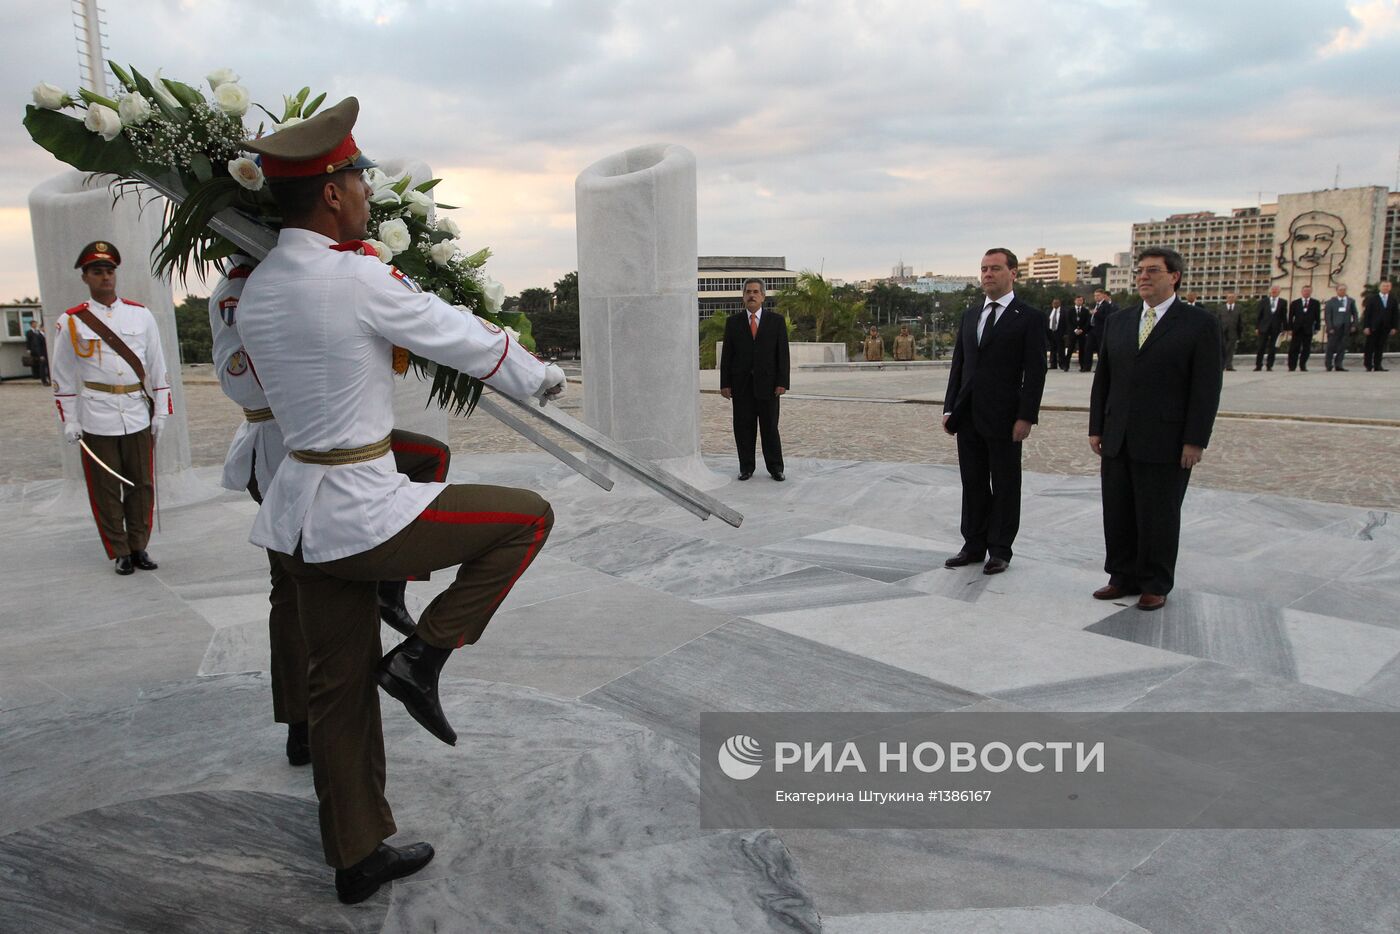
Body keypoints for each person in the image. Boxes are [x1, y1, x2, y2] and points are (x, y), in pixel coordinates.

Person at [234, 98, 567, 903]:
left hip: (297, 514)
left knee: (336, 687)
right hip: (357, 509)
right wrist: (539, 377)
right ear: (332, 193)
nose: (366, 193)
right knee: (526, 517)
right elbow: (454, 332)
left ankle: (356, 857)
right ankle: (423, 656)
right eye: (358, 180)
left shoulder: (259, 286)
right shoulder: (353, 276)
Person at [208, 254, 450, 767]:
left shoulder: (324, 269)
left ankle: (389, 589)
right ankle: (303, 724)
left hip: (339, 438)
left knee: (430, 456)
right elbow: (243, 383)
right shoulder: (243, 286)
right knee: (294, 593)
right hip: (283, 449)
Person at [1089, 247, 1221, 611]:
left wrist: (1195, 440)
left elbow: (1206, 388)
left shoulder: (1198, 323)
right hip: (1118, 435)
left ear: (1174, 276)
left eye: (1152, 271)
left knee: (1158, 514)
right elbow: (1104, 378)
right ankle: (1122, 576)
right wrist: (1097, 426)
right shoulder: (1120, 321)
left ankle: (1154, 582)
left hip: (1166, 438)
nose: (1143, 277)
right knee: (1118, 511)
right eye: (1140, 272)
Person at [50, 241, 171, 575]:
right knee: (105, 487)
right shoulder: (71, 321)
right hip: (96, 413)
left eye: (109, 271)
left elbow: (158, 364)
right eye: (97, 272)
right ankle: (119, 550)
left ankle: (139, 546)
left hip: (135, 409)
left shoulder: (140, 315)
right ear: (85, 277)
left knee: (141, 483)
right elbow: (62, 375)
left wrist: (161, 412)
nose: (105, 277)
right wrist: (70, 420)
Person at [942, 248, 1047, 575]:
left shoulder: (1028, 317)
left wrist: (1026, 416)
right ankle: (973, 544)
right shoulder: (970, 315)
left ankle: (1000, 549)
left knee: (1005, 483)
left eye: (995, 268)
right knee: (972, 482)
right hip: (968, 414)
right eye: (984, 269)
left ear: (1013, 273)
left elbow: (1036, 372)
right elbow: (959, 365)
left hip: (1005, 416)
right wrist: (949, 407)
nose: (988, 274)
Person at [719, 278, 789, 481]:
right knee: (743, 429)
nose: (752, 295)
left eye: (755, 292)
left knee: (770, 428)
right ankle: (746, 467)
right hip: (741, 386)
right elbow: (727, 355)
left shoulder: (776, 321)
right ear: (743, 296)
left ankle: (776, 468)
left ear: (763, 296)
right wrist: (725, 383)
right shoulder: (733, 322)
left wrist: (782, 382)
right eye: (748, 292)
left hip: (769, 386)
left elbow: (782, 354)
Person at [1362, 280, 1398, 372]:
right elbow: (1367, 314)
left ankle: (1378, 365)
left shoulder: (1393, 300)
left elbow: (1395, 314)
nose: (1385, 288)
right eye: (1384, 286)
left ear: (1390, 288)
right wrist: (1366, 326)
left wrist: (1394, 327)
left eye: (1387, 286)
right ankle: (1368, 365)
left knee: (1380, 347)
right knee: (1370, 346)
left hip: (1385, 327)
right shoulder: (1372, 299)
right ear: (1380, 287)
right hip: (1373, 327)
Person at [1323, 284, 1358, 372]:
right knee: (1330, 347)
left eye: (1344, 290)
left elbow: (1355, 314)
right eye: (1340, 290)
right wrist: (1330, 327)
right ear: (1337, 291)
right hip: (1334, 328)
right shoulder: (1330, 302)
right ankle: (1328, 364)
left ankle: (1339, 364)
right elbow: (1327, 316)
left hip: (1346, 327)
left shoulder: (1350, 301)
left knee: (1342, 347)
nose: (1342, 291)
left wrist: (1354, 325)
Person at [1287, 285, 1321, 371]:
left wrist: (1317, 327)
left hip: (1308, 329)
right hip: (1297, 329)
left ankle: (1303, 365)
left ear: (1311, 292)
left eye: (1308, 291)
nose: (1306, 293)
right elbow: (1290, 317)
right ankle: (1292, 366)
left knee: (1306, 348)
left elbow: (1317, 316)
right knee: (1294, 348)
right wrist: (1290, 328)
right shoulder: (1295, 303)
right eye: (1305, 291)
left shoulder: (1315, 303)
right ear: (1302, 292)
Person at [1254, 286, 1286, 371]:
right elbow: (1259, 315)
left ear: (1279, 292)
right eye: (1273, 290)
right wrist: (1257, 327)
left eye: (1276, 291)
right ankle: (1258, 365)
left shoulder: (1283, 302)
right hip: (1263, 327)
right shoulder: (1263, 301)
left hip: (1276, 328)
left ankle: (1269, 365)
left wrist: (1285, 328)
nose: (1274, 292)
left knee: (1273, 348)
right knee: (1261, 347)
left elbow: (1284, 316)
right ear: (1270, 291)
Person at [1216, 293, 1242, 371]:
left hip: (1233, 331)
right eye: (1229, 297)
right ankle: (1221, 365)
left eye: (1232, 297)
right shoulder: (1221, 308)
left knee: (1231, 349)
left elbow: (1240, 321)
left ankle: (1229, 365)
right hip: (1222, 331)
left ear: (1235, 299)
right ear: (1226, 298)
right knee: (1223, 349)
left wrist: (1240, 333)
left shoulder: (1238, 308)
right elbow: (1217, 320)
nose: (1231, 299)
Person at [1045, 298, 1072, 371]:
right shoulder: (1049, 311)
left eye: (1056, 303)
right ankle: (1053, 364)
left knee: (1061, 349)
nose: (1055, 304)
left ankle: (1062, 364)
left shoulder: (1064, 312)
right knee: (1052, 348)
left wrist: (1066, 333)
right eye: (1053, 303)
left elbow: (1067, 323)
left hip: (1060, 333)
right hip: (1051, 332)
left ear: (1059, 304)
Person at [24, 318, 49, 384]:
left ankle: (41, 376)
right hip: (34, 349)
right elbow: (28, 341)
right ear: (31, 325)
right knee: (35, 362)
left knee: (42, 364)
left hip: (40, 350)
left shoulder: (37, 331)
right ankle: (36, 375)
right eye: (34, 324)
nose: (35, 325)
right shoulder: (29, 332)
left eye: (36, 324)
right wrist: (28, 349)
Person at [1072, 294, 1092, 370]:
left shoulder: (1086, 311)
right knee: (1070, 348)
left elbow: (1087, 322)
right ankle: (1066, 365)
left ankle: (1082, 365)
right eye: (1078, 300)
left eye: (1081, 300)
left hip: (1082, 333)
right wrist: (1075, 330)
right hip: (1073, 332)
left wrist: (1082, 330)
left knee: (1082, 349)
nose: (1079, 302)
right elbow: (1069, 322)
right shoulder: (1070, 310)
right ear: (1075, 301)